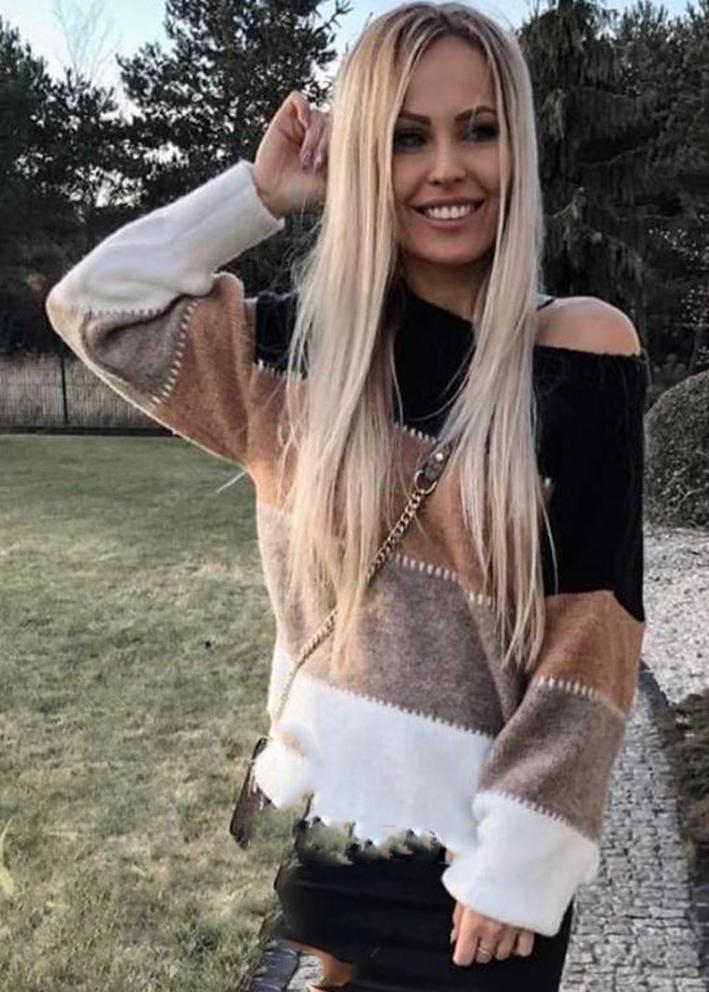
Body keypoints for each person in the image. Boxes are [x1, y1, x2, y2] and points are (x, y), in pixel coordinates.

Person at [45, 3, 648, 989]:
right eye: (405, 138)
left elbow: (597, 627)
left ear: (517, 150)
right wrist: (259, 194)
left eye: (478, 130)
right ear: (363, 155)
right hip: (321, 847)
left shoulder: (578, 349)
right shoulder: (293, 356)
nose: (445, 168)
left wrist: (521, 861)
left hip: (473, 878)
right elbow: (92, 307)